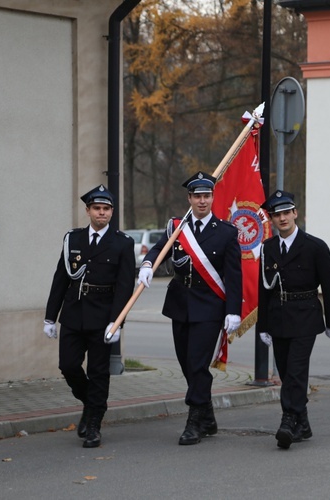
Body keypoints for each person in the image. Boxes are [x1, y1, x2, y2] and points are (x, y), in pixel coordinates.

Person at [138, 171, 242, 445]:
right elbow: (159, 249)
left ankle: (194, 420)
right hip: (180, 303)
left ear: (212, 197)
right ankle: (207, 415)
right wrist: (148, 265)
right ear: (189, 198)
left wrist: (233, 310)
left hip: (209, 306)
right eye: (197, 196)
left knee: (197, 364)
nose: (202, 201)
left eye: (207, 195)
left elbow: (233, 275)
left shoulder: (227, 233)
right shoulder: (177, 227)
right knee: (186, 364)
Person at [43, 185, 135, 448]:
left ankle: (94, 422)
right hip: (73, 312)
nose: (101, 213)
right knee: (68, 366)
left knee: (98, 372)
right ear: (88, 211)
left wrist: (117, 322)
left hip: (103, 316)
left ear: (112, 212)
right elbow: (60, 278)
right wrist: (50, 316)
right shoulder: (72, 239)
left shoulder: (122, 243)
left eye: (106, 209)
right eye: (97, 208)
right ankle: (90, 402)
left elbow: (125, 286)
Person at [256, 190, 330, 450]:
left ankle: (288, 420)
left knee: (295, 371)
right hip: (278, 317)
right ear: (271, 219)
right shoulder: (268, 248)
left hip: (305, 316)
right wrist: (263, 325)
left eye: (286, 212)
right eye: (276, 214)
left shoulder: (314, 246)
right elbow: (263, 289)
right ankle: (303, 424)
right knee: (285, 371)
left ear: (295, 213)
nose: (282, 218)